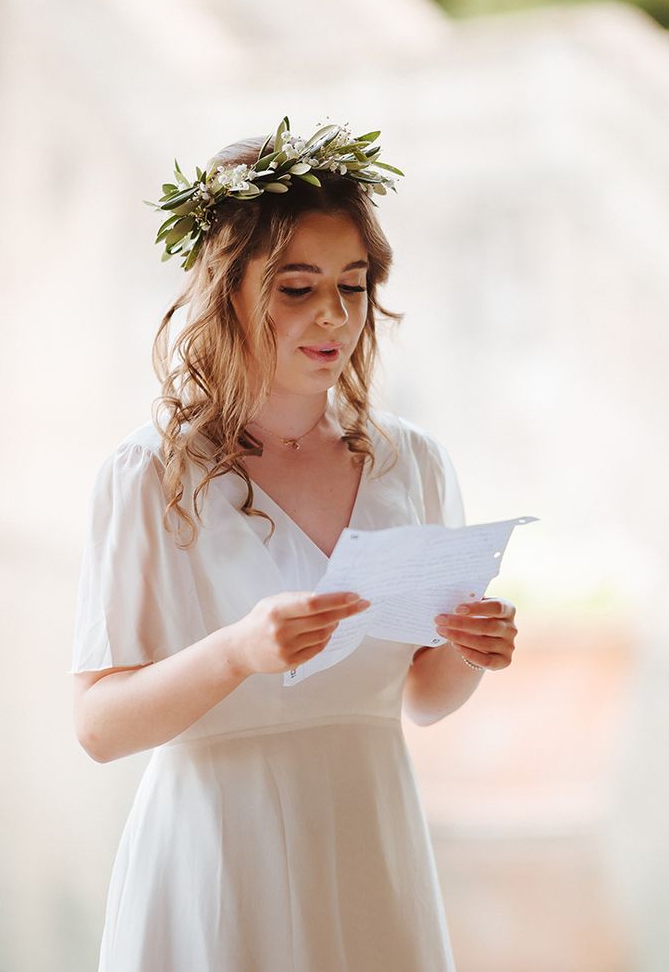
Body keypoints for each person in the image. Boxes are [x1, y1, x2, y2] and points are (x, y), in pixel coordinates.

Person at [70, 117, 519, 971]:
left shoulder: (412, 462)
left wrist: (472, 650)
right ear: (229, 290)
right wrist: (237, 652)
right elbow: (97, 727)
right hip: (215, 860)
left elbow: (423, 696)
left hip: (371, 845)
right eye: (296, 288)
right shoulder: (147, 476)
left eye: (352, 286)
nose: (334, 317)